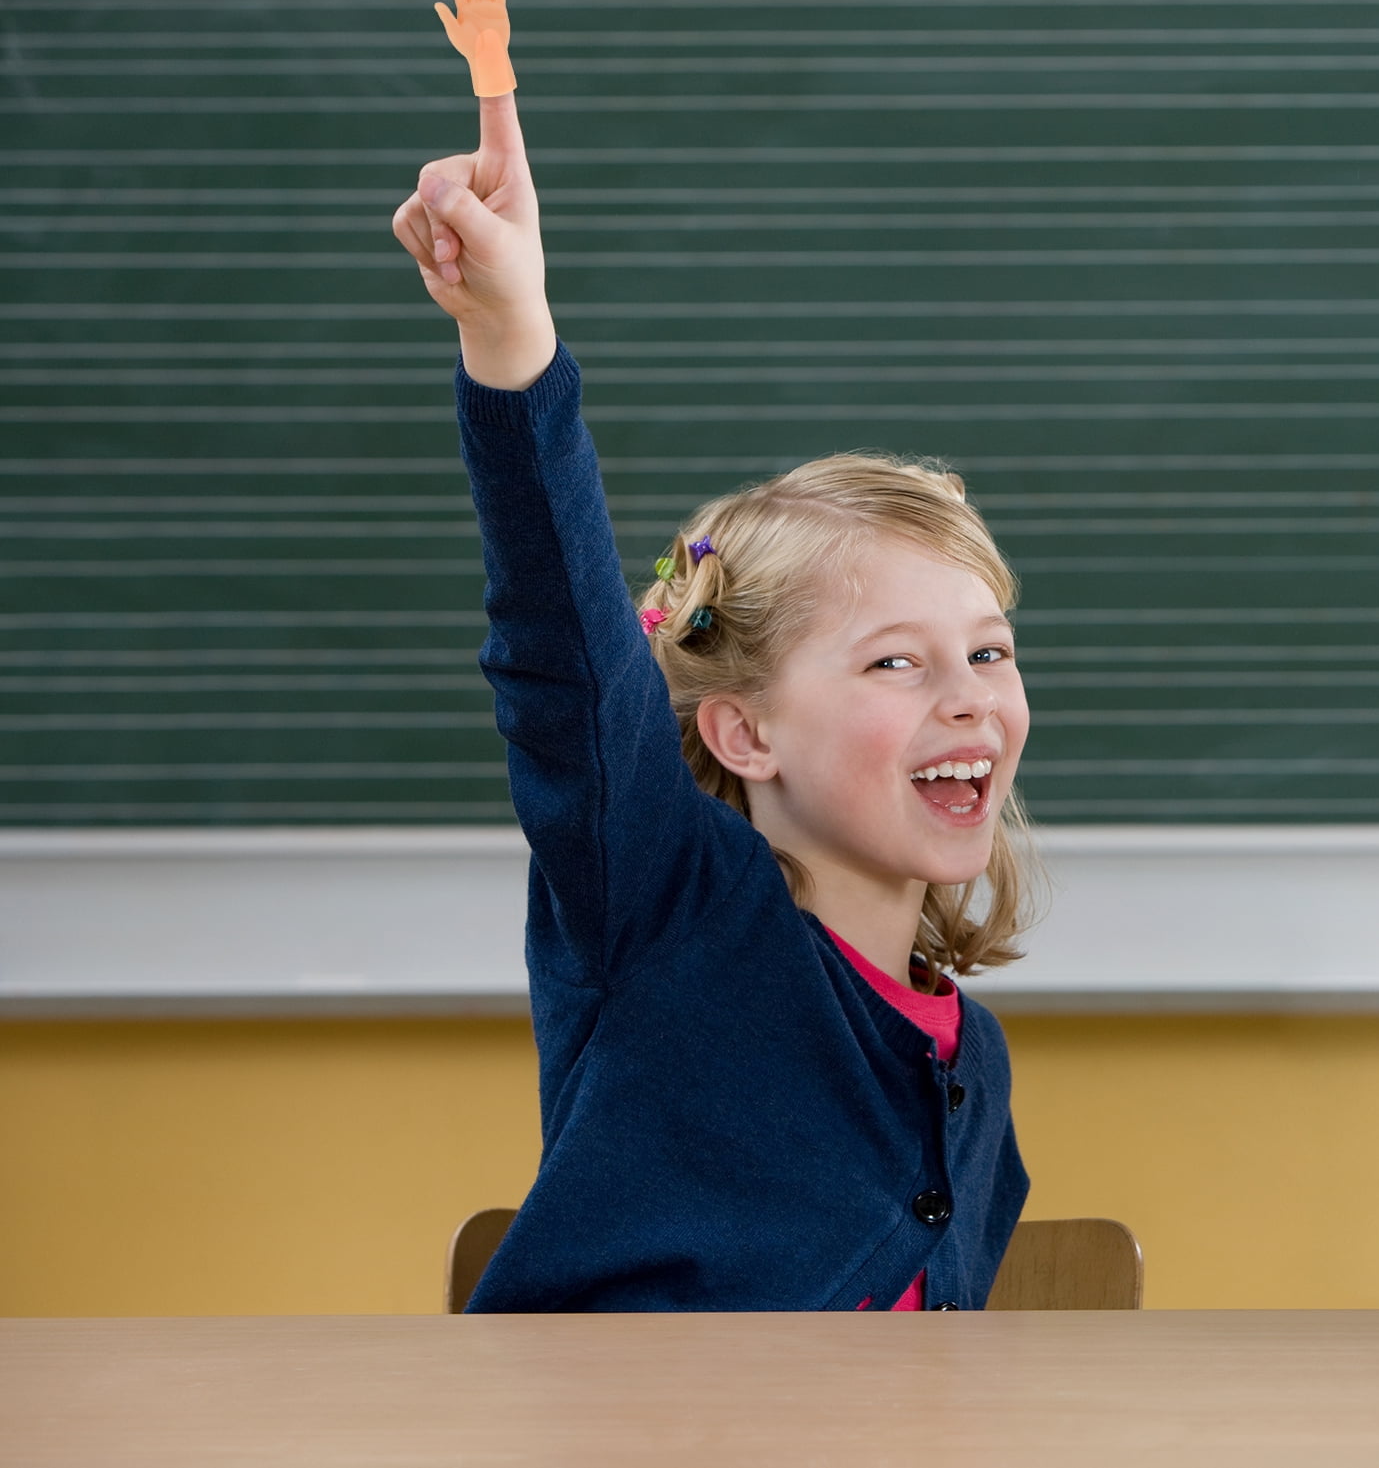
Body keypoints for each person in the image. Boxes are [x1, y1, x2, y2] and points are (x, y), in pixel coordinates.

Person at [391, 84, 1037, 1313]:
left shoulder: (969, 1063)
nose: (966, 696)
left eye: (989, 653)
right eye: (895, 661)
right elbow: (564, 650)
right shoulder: (672, 914)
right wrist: (509, 335)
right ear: (742, 732)